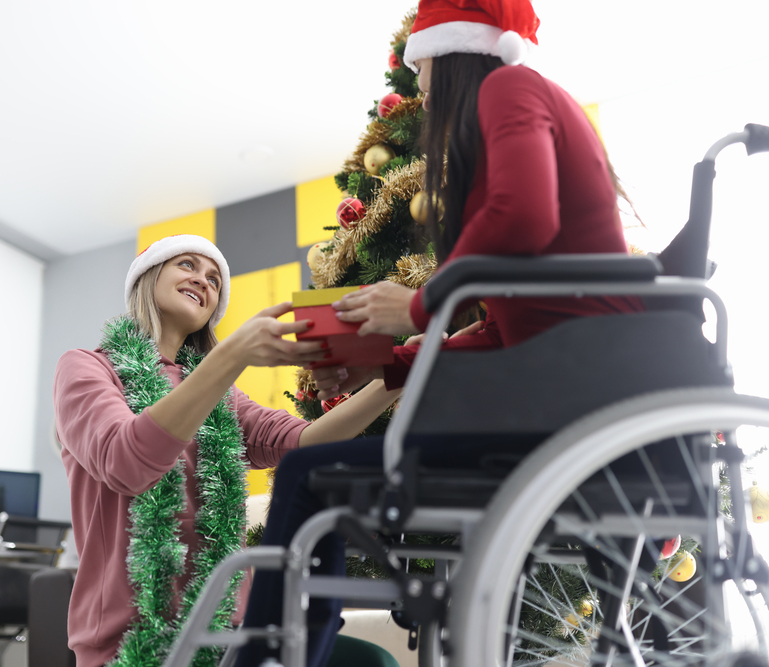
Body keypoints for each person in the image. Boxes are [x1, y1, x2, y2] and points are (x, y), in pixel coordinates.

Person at [235, 0, 643, 665]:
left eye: (419, 66)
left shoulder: (510, 85)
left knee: (308, 470)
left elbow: (522, 217)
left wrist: (421, 305)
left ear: (452, 55)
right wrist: (386, 365)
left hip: (560, 411)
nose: (418, 88)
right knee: (314, 470)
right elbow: (503, 333)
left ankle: (267, 656)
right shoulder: (524, 105)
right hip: (570, 394)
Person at [52, 234, 401, 667]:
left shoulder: (222, 395)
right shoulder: (87, 367)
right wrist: (233, 354)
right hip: (126, 638)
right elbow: (127, 463)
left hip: (227, 630)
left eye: (214, 279)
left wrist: (397, 374)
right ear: (147, 276)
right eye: (187, 265)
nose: (203, 280)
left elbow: (305, 444)